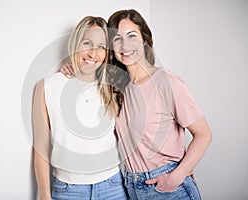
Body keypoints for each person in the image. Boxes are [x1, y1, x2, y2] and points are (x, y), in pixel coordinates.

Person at [61, 9, 212, 200]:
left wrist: (178, 175)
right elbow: (90, 64)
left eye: (132, 36)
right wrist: (72, 64)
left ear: (145, 40)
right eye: (117, 39)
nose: (125, 45)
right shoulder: (118, 88)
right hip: (131, 187)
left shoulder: (167, 82)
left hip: (167, 186)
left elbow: (204, 134)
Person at [32, 16, 127, 200]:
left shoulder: (112, 86)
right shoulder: (47, 87)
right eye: (87, 43)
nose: (93, 53)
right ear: (75, 44)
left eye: (101, 47)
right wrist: (44, 194)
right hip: (68, 190)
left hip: (113, 187)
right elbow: (41, 148)